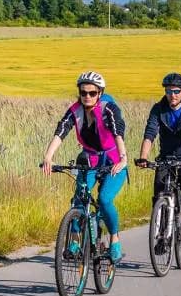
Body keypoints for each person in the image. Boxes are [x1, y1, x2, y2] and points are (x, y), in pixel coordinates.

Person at [42, 71, 129, 264]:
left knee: (105, 200)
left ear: (100, 93)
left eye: (92, 93)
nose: (87, 97)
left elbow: (118, 133)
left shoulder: (109, 109)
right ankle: (74, 241)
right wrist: (48, 157)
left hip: (113, 160)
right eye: (83, 93)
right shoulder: (75, 111)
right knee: (79, 199)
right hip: (89, 159)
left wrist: (123, 159)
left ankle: (114, 239)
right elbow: (61, 131)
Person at [135, 72, 181, 233]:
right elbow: (150, 134)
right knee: (159, 184)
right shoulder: (158, 109)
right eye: (168, 91)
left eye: (176, 91)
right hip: (166, 155)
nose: (172, 95)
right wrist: (143, 158)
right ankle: (160, 231)